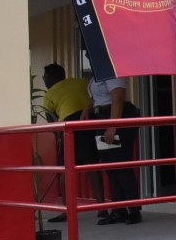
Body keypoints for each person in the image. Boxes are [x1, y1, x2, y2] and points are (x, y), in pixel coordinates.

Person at [35, 63, 94, 221]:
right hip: (90, 124)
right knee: (93, 167)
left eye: (45, 77)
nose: (44, 80)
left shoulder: (49, 95)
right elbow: (93, 98)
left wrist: (59, 138)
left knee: (64, 172)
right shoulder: (81, 81)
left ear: (52, 78)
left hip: (69, 128)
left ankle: (67, 211)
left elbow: (52, 124)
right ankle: (102, 207)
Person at [88, 73, 142, 225]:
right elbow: (97, 98)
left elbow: (117, 99)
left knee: (121, 164)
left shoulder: (112, 73)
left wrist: (113, 127)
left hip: (113, 118)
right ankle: (118, 209)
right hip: (101, 117)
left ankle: (134, 210)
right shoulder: (96, 76)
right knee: (110, 166)